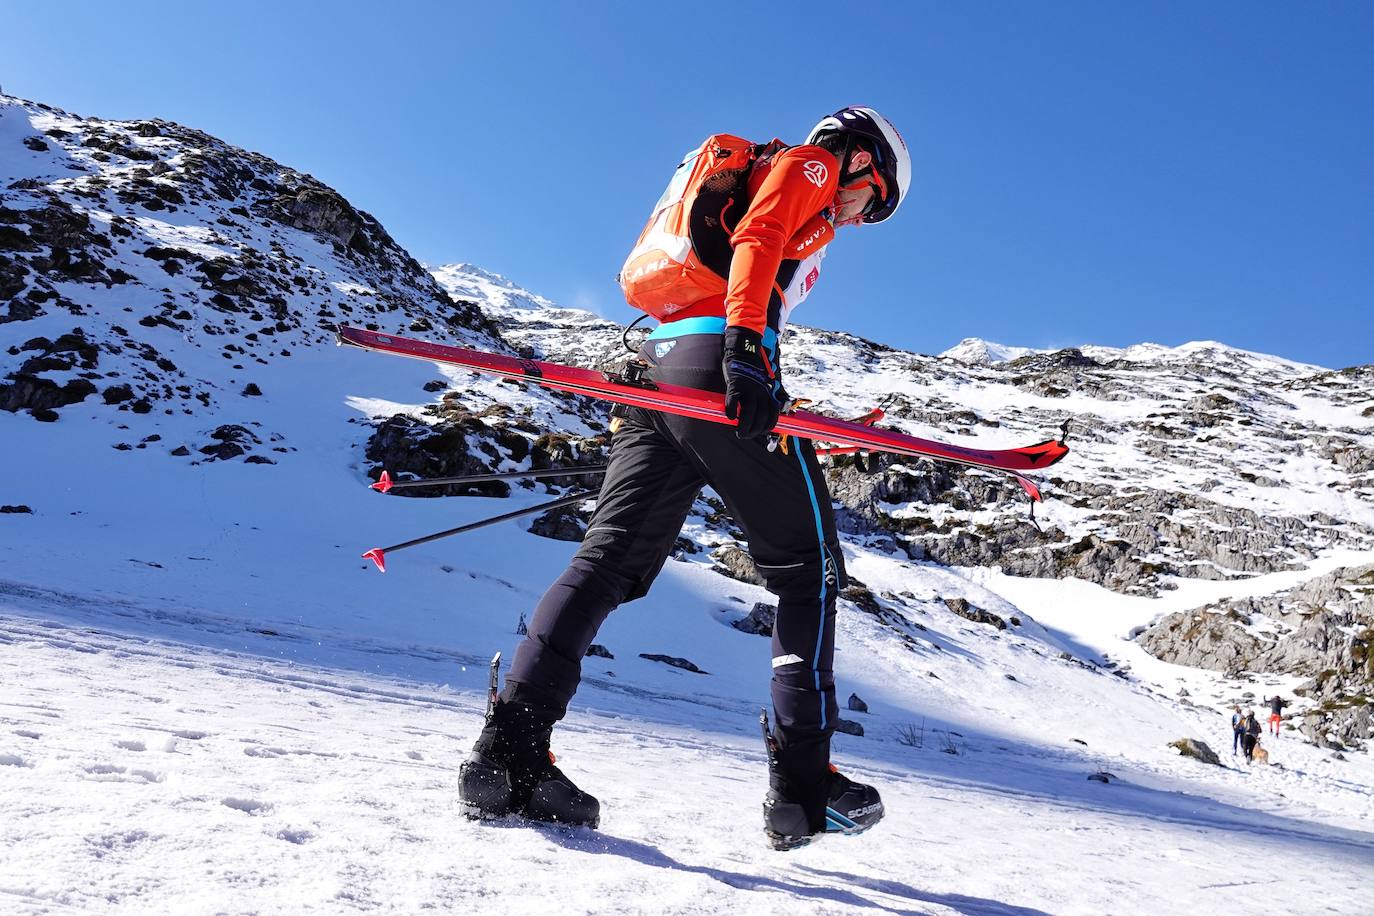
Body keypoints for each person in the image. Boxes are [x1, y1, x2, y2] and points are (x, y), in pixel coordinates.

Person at [458, 107, 911, 850]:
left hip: (657, 375)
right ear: (865, 161)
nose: (862, 218)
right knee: (810, 574)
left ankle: (509, 759)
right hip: (717, 372)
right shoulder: (812, 165)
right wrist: (743, 353)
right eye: (877, 201)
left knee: (607, 563)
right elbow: (759, 239)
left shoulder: (760, 175)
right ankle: (804, 789)